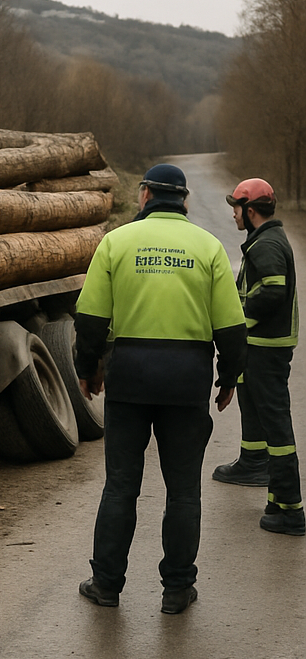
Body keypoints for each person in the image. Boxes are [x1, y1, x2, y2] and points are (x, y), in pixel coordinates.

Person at [73, 163, 247, 614]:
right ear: (185, 201)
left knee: (120, 487)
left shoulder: (116, 242)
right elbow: (231, 327)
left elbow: (90, 320)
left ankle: (107, 584)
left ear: (145, 195)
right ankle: (176, 590)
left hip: (130, 378)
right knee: (184, 490)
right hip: (187, 381)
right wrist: (228, 379)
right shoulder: (208, 246)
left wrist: (89, 369)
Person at [211, 178, 303, 535]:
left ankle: (291, 510)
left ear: (250, 211)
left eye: (236, 207)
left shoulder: (266, 245)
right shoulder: (265, 241)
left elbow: (272, 292)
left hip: (266, 348)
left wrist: (238, 320)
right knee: (271, 423)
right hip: (265, 347)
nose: (233, 213)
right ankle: (278, 499)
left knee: (277, 428)